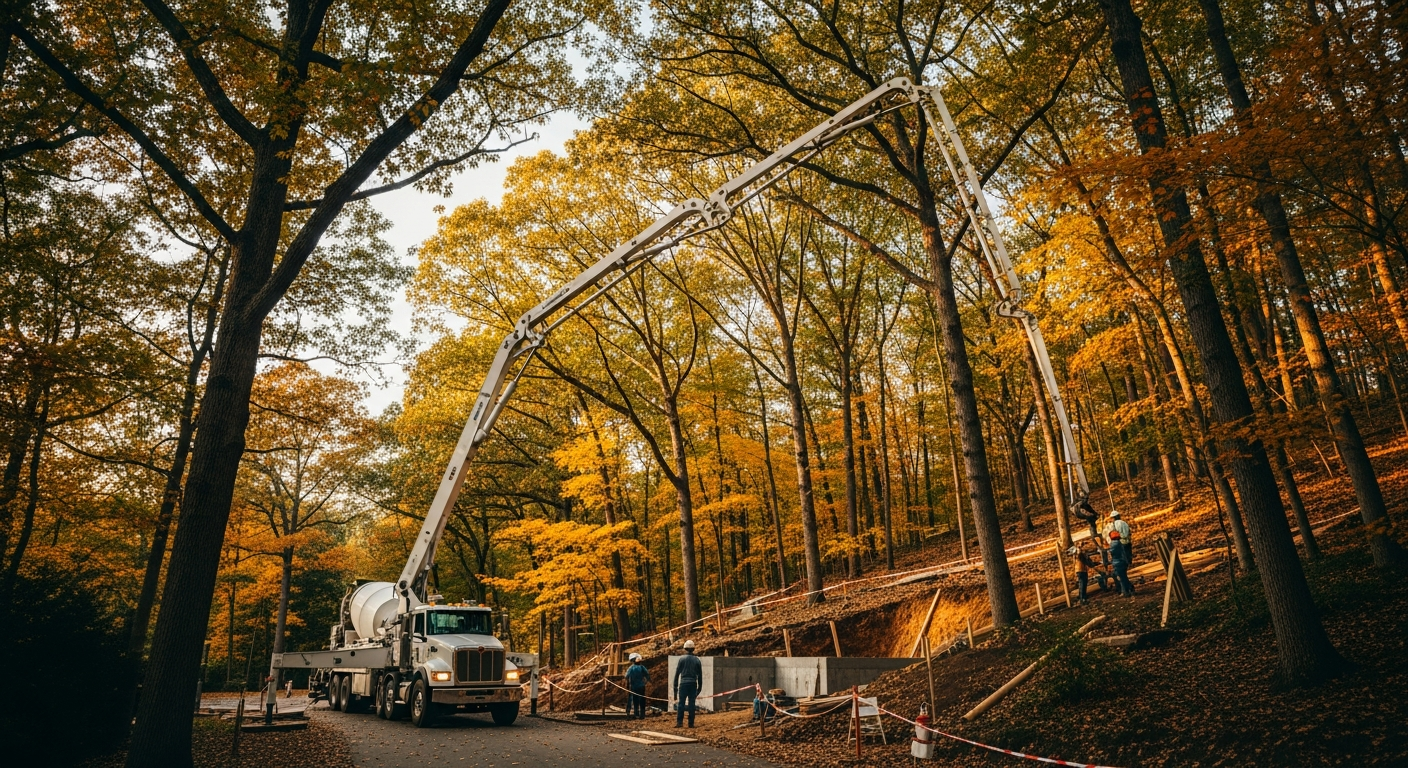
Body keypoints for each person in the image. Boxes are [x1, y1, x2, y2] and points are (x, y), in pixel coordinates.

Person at [673, 639, 702, 728]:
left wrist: (675, 690)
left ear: (685, 648)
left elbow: (677, 674)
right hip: (693, 684)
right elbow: (700, 676)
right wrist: (699, 689)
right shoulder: (697, 660)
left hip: (683, 684)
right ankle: (691, 723)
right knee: (691, 704)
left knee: (681, 703)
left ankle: (679, 723)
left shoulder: (681, 659)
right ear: (693, 649)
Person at [1109, 530, 1135, 596]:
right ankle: (1130, 588)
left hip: (1117, 563)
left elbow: (1112, 553)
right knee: (1124, 577)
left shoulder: (1113, 544)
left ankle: (1126, 591)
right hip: (1122, 562)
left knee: (1121, 578)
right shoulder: (1119, 543)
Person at [625, 653, 649, 720]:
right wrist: (645, 682)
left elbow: (626, 676)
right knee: (640, 700)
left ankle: (637, 714)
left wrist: (628, 684)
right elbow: (647, 675)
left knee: (637, 700)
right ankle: (641, 714)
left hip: (635, 686)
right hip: (639, 686)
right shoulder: (641, 667)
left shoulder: (632, 668)